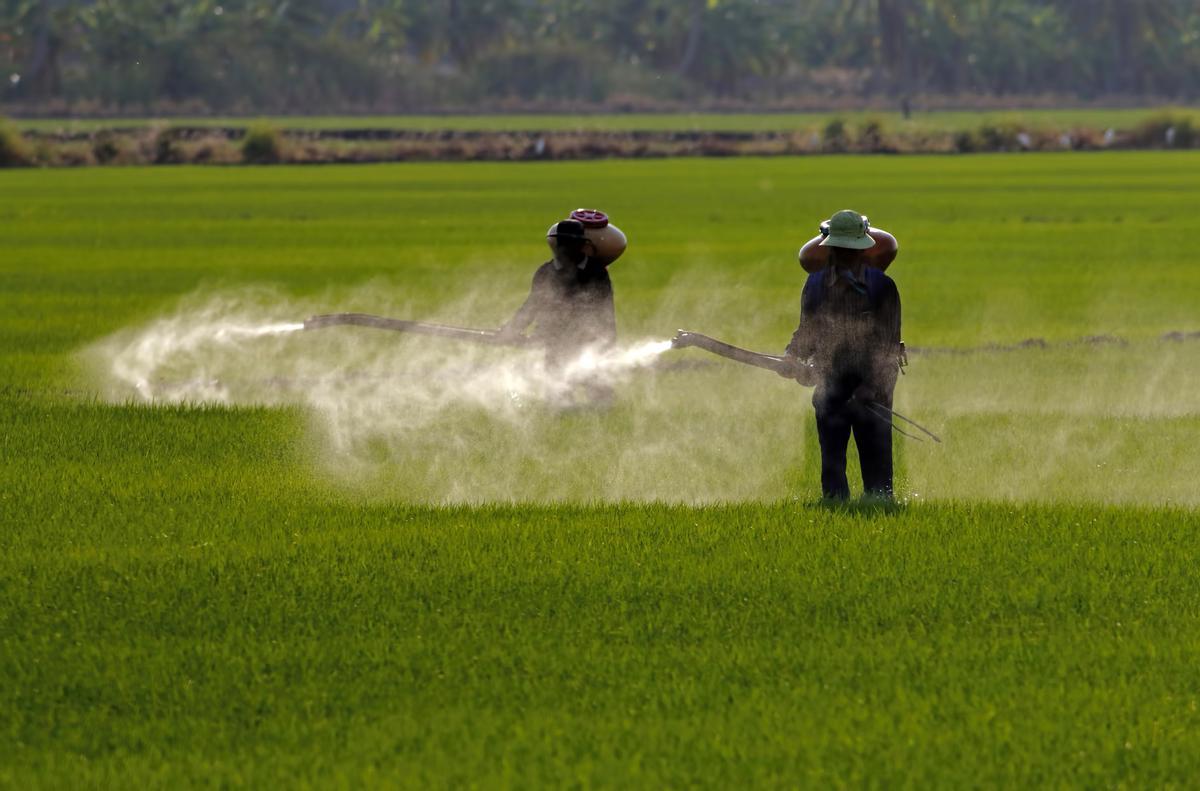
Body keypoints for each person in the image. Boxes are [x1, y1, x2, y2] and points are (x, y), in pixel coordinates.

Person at [783, 210, 904, 500]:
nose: (845, 255)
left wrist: (871, 388)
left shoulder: (882, 287)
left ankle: (880, 502)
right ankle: (835, 503)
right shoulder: (814, 285)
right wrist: (792, 356)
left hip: (873, 388)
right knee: (832, 461)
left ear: (862, 250)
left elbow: (889, 345)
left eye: (850, 250)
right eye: (840, 249)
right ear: (831, 249)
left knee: (877, 462)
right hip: (830, 383)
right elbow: (807, 330)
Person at [499, 218, 617, 402]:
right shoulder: (545, 273)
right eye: (562, 244)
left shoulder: (597, 273)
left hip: (589, 341)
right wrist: (513, 328)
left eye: (570, 245)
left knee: (600, 396)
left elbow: (604, 309)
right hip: (554, 341)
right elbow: (533, 305)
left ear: (580, 246)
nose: (564, 250)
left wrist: (608, 340)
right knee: (558, 396)